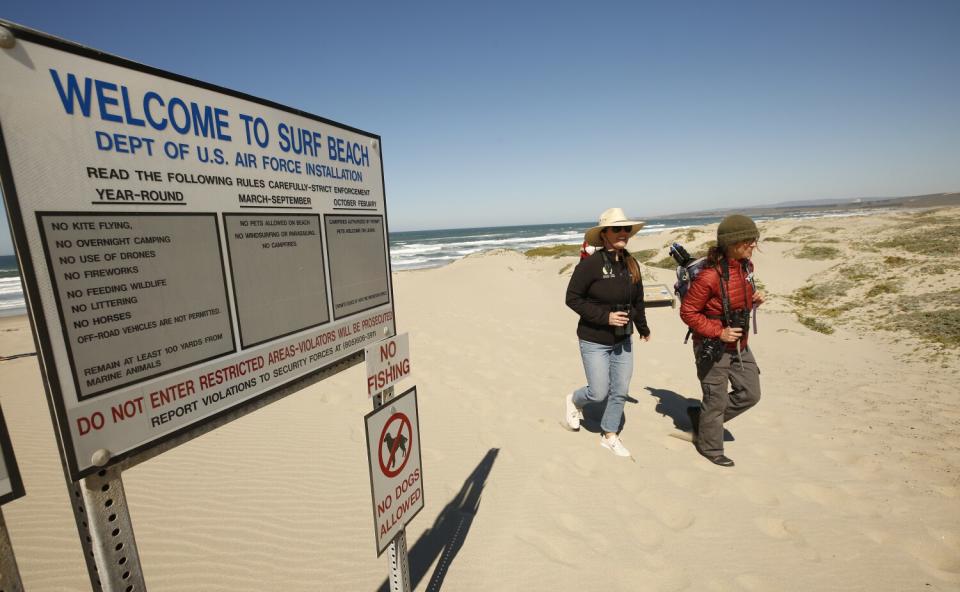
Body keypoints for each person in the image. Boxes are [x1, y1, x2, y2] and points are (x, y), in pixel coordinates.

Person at [564, 208, 651, 457]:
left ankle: (609, 435)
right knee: (598, 391)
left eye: (626, 229)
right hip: (594, 339)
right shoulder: (590, 265)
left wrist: (643, 327)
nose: (623, 233)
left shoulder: (631, 263)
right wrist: (606, 317)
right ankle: (574, 400)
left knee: (620, 390)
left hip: (623, 338)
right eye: (617, 229)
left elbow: (638, 300)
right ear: (604, 235)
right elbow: (572, 299)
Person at [680, 214, 765, 467]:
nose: (753, 245)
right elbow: (688, 312)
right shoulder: (709, 277)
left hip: (740, 344)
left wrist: (755, 300)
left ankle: (704, 422)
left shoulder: (746, 267)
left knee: (750, 393)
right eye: (749, 241)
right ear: (732, 243)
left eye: (754, 240)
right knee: (715, 400)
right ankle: (710, 447)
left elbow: (737, 301)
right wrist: (719, 333)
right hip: (712, 346)